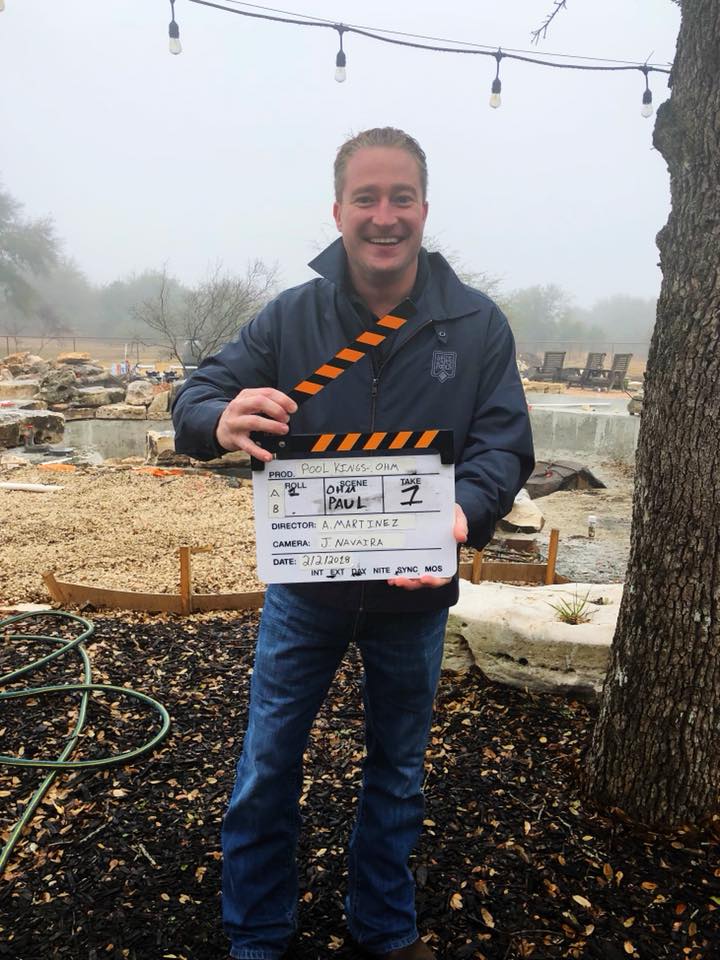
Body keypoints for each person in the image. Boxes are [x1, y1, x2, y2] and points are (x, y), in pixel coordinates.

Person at [172, 127, 534, 960]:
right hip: (307, 590)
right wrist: (215, 421)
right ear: (337, 211)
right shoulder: (290, 317)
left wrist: (464, 513)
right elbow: (200, 394)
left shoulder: (477, 325)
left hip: (417, 594)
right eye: (366, 198)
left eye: (400, 197)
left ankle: (384, 929)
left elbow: (504, 444)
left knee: (397, 774)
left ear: (424, 210)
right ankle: (258, 934)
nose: (383, 216)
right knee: (268, 762)